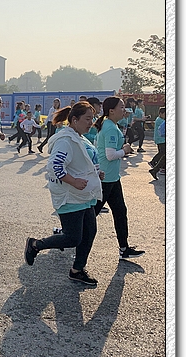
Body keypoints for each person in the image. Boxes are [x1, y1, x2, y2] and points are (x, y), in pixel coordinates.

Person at [24, 102, 103, 286]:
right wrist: (74, 181)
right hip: (70, 196)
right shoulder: (65, 140)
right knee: (73, 237)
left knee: (89, 232)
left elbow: (81, 163)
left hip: (83, 196)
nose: (91, 123)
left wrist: (95, 174)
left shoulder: (79, 137)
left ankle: (77, 270)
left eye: (92, 119)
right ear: (74, 120)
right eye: (87, 119)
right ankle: (35, 244)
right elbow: (55, 166)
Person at [93, 96, 145, 261]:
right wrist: (125, 150)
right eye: (121, 107)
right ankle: (65, 234)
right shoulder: (109, 128)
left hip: (112, 178)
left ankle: (124, 248)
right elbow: (110, 155)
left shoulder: (111, 125)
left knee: (120, 212)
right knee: (90, 214)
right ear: (111, 111)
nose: (125, 109)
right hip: (105, 178)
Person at [149, 109, 166, 180]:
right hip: (161, 140)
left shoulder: (160, 120)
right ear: (161, 113)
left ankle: (158, 168)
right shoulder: (160, 120)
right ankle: (154, 164)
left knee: (163, 154)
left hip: (161, 139)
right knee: (163, 153)